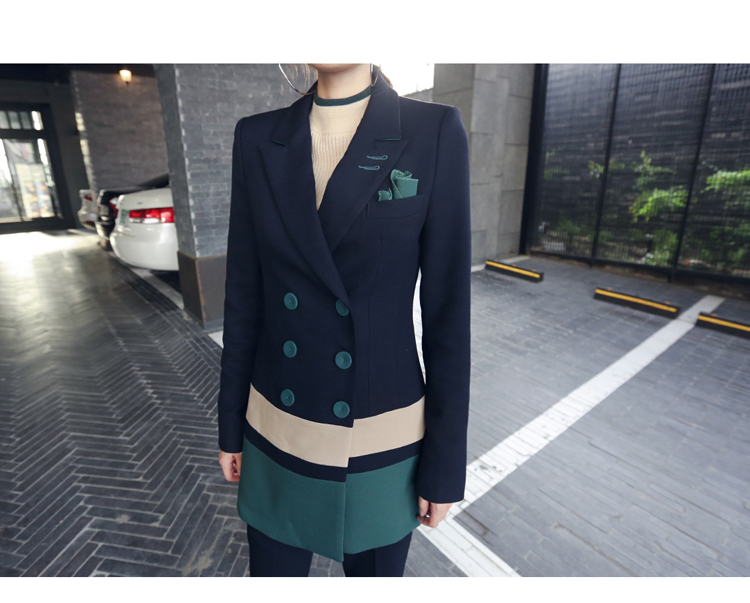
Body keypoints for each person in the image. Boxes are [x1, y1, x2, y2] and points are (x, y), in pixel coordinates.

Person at [217, 63, 471, 577]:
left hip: (382, 431)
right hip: (278, 425)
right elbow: (244, 296)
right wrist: (230, 427)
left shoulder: (433, 131)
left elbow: (447, 313)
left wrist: (444, 465)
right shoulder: (257, 138)